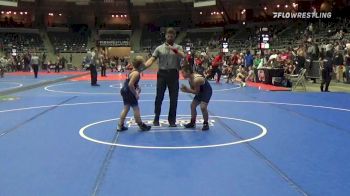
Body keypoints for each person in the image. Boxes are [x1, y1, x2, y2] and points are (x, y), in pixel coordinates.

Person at [144, 27, 185, 127]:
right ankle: (156, 118)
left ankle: (172, 120)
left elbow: (183, 56)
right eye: (168, 36)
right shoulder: (159, 48)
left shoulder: (178, 47)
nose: (170, 37)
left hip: (173, 74)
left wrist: (174, 50)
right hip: (162, 74)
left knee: (174, 98)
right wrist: (141, 68)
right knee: (159, 97)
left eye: (172, 36)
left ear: (174, 36)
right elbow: (152, 60)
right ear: (165, 36)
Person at [117, 56, 151, 132]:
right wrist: (136, 93)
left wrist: (137, 86)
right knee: (136, 108)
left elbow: (130, 82)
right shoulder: (136, 73)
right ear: (141, 65)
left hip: (124, 90)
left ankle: (120, 125)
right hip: (129, 91)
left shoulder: (133, 71)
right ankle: (140, 124)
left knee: (126, 108)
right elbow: (130, 84)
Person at [180, 64, 212, 131]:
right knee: (192, 106)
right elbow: (194, 90)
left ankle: (206, 124)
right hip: (200, 91)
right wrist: (187, 90)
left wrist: (187, 90)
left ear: (188, 71)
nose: (182, 74)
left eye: (183, 72)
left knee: (203, 107)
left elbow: (196, 92)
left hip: (206, 91)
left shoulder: (196, 79)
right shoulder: (190, 79)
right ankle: (192, 122)